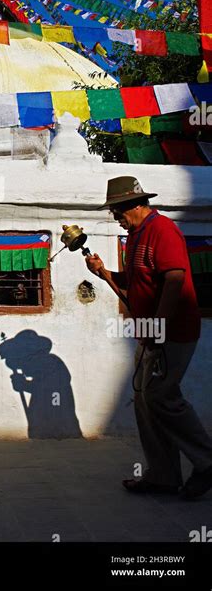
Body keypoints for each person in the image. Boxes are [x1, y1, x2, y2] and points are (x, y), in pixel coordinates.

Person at [86, 175, 212, 499]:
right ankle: (163, 475)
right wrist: (103, 272)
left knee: (160, 396)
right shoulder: (138, 236)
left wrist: (159, 327)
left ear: (134, 205)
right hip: (151, 333)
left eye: (117, 212)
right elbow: (132, 281)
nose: (116, 218)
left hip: (173, 331)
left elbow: (173, 280)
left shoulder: (162, 230)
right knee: (145, 399)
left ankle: (207, 462)